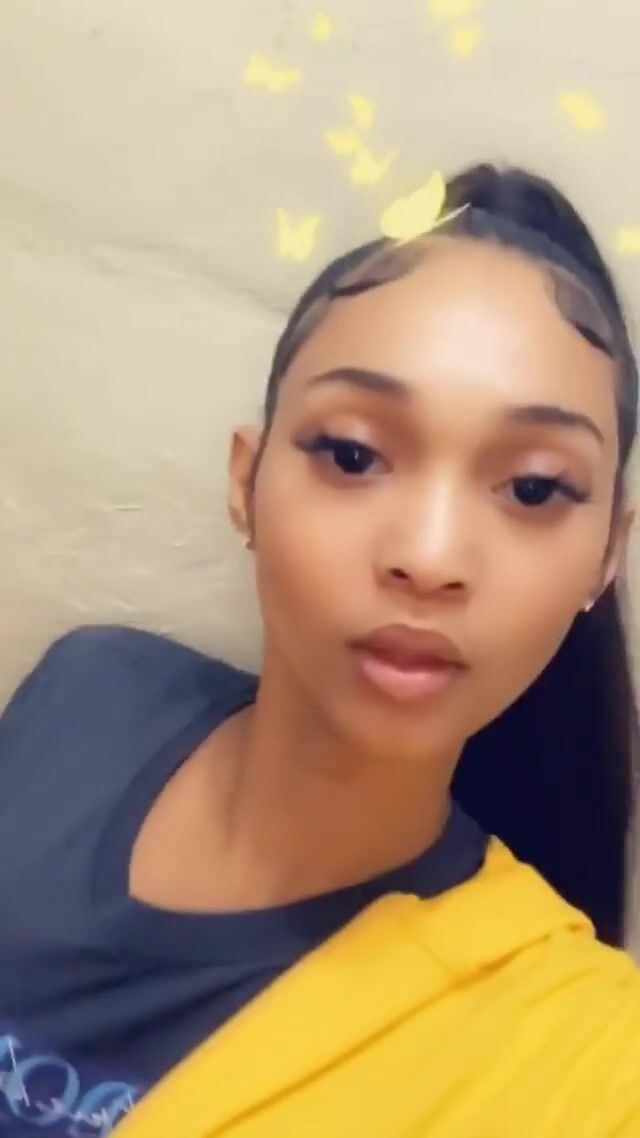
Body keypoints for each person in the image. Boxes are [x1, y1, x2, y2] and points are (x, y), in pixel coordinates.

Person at [1, 162, 639, 1138]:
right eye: (351, 454)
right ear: (246, 480)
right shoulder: (87, 697)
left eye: (533, 489)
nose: (430, 557)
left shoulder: (590, 1057)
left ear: (606, 554)